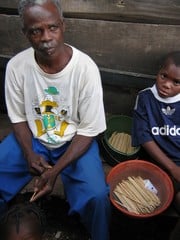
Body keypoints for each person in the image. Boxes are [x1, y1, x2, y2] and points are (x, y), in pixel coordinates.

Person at [0, 0, 111, 239]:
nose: (45, 37)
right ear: (25, 34)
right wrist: (29, 153)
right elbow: (18, 118)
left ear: (63, 26)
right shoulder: (17, 67)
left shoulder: (85, 69)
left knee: (97, 196)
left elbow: (89, 131)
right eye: (35, 31)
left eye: (52, 27)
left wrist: (55, 172)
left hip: (74, 142)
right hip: (33, 138)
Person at [132, 51, 180, 240]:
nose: (167, 84)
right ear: (158, 72)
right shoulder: (145, 98)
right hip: (155, 163)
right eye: (163, 76)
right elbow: (144, 138)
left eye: (176, 82)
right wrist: (172, 168)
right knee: (148, 203)